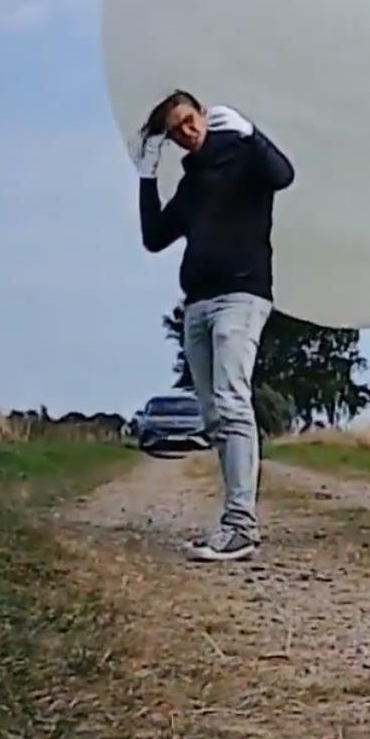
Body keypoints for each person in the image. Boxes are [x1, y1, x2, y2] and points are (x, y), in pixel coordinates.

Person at [135, 90, 296, 563]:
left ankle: (241, 526)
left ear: (202, 114)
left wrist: (252, 132)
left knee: (231, 400)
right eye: (175, 131)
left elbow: (283, 176)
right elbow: (154, 238)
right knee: (213, 416)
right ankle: (235, 520)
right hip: (197, 305)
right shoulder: (192, 184)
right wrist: (146, 178)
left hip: (241, 296)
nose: (186, 133)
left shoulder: (245, 158)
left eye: (188, 120)